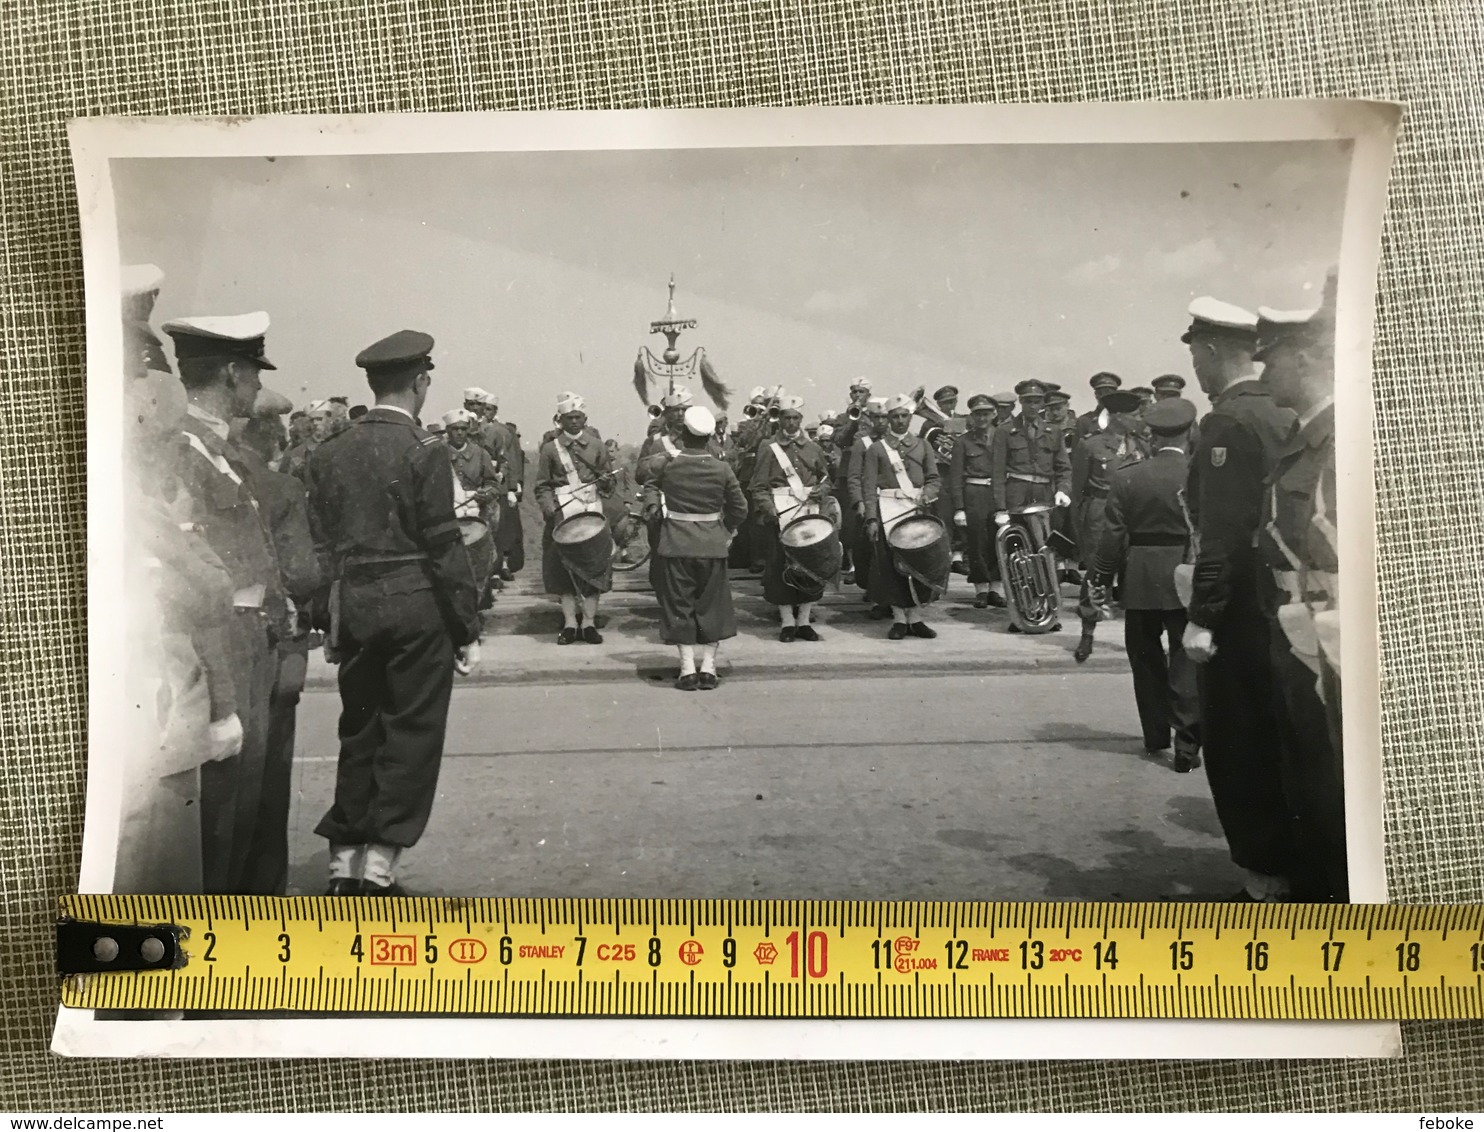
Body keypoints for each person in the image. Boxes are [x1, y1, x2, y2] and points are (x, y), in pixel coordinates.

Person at [305, 329, 481, 897]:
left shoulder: (330, 452)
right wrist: (466, 625)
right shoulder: (425, 452)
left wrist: (327, 615)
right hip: (416, 607)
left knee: (359, 728)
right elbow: (445, 545)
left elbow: (320, 545)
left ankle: (342, 864)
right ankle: (379, 867)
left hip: (355, 606)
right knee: (412, 733)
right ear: (421, 382)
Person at [1180, 296, 1299, 903]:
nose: (1197, 371)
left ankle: (1265, 876)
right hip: (1285, 602)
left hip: (1239, 612)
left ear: (1209, 353)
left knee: (1239, 737)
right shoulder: (1285, 410)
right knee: (1292, 733)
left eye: (1197, 355)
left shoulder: (1228, 421)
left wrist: (1202, 616)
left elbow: (1220, 534)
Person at [162, 310, 285, 894]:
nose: (259, 387)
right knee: (221, 820)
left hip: (251, 636)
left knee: (243, 814)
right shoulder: (182, 450)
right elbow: (195, 579)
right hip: (225, 642)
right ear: (233, 373)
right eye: (254, 373)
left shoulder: (218, 450)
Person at [1254, 295, 1347, 902]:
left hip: (1337, 632)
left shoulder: (1342, 438)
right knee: (1310, 769)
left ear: (1310, 355)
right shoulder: (1304, 437)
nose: (1262, 375)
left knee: (1335, 774)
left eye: (1273, 360)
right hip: (1301, 625)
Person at [231, 389, 324, 895]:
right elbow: (303, 573)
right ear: (267, 434)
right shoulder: (281, 486)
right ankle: (263, 891)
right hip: (276, 646)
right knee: (268, 776)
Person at [1091, 397, 1202, 772]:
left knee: (1145, 659)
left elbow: (1112, 537)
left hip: (1139, 576)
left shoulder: (1127, 475)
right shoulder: (1197, 473)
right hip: (1186, 574)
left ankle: (1155, 735)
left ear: (1151, 435)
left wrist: (1101, 579)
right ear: (1190, 432)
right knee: (1186, 660)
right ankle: (1187, 746)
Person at [643, 406, 750, 689]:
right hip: (712, 545)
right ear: (710, 436)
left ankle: (687, 670)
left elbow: (650, 483)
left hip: (676, 544)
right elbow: (740, 507)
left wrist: (653, 507)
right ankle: (709, 669)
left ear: (683, 434)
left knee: (680, 607)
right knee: (711, 606)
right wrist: (726, 529)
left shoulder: (668, 464)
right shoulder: (722, 468)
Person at [1069, 389, 1148, 661]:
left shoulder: (1141, 445)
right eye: (1134, 415)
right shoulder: (1091, 445)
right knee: (1096, 574)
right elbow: (1078, 491)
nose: (1139, 419)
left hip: (1134, 515)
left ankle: (1134, 638)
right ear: (1117, 416)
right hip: (1100, 513)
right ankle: (1087, 634)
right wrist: (1081, 527)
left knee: (1134, 576)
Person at [748, 395, 833, 641]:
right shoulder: (769, 446)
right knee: (780, 567)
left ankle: (805, 620)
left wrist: (821, 490)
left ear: (801, 419)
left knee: (810, 565)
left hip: (809, 511)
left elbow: (826, 479)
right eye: (787, 418)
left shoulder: (813, 448)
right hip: (781, 512)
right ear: (780, 419)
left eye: (796, 418)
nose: (792, 423)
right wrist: (768, 509)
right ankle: (787, 621)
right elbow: (758, 486)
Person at [991, 378, 1072, 633]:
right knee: (1017, 556)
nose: (1032, 406)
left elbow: (1063, 468)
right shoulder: (1005, 431)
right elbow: (997, 472)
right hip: (1016, 499)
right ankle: (1021, 613)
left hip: (1044, 498)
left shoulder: (1054, 431)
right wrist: (1001, 508)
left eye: (1037, 401)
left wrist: (1063, 490)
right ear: (1020, 403)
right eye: (1027, 401)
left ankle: (1051, 613)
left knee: (1045, 556)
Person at [535, 393, 616, 644]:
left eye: (578, 417)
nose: (573, 422)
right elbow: (542, 485)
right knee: (562, 569)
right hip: (563, 512)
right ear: (560, 420)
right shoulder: (550, 449)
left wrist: (606, 482)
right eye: (568, 418)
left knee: (594, 566)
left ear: (585, 418)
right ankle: (570, 623)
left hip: (592, 508)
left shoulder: (597, 446)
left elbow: (609, 483)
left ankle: (589, 623)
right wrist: (550, 509)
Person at [861, 392, 942, 638]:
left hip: (916, 507)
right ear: (888, 418)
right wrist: (872, 519)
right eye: (894, 416)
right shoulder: (877, 449)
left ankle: (915, 618)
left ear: (910, 417)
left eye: (904, 416)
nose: (899, 421)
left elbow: (934, 478)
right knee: (891, 566)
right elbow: (869, 486)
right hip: (888, 510)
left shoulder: (923, 445)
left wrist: (927, 493)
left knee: (918, 563)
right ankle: (898, 619)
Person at [948, 393, 1006, 608]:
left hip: (999, 494)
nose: (982, 418)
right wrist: (959, 508)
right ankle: (981, 589)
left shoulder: (1004, 438)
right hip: (974, 494)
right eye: (978, 414)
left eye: (986, 414)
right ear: (971, 416)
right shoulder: (963, 441)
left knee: (998, 541)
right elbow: (955, 478)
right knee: (977, 543)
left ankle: (996, 590)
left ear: (994, 414)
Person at [444, 408, 502, 609]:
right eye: (454, 429)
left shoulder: (480, 454)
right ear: (447, 430)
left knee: (479, 561)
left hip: (477, 513)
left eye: (462, 429)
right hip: (450, 515)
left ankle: (479, 605)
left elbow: (493, 484)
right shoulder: (438, 454)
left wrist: (485, 494)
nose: (459, 433)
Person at [845, 396, 890, 612]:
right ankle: (875, 597)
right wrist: (859, 503)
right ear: (870, 418)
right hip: (870, 501)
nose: (881, 421)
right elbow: (853, 477)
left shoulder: (895, 442)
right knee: (870, 552)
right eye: (877, 417)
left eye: (884, 417)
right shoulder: (862, 443)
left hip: (894, 502)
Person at [1076, 372, 1123, 439]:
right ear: (1096, 395)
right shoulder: (1085, 421)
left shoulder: (1124, 418)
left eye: (1109, 393)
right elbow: (1078, 447)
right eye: (1101, 393)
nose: (1105, 396)